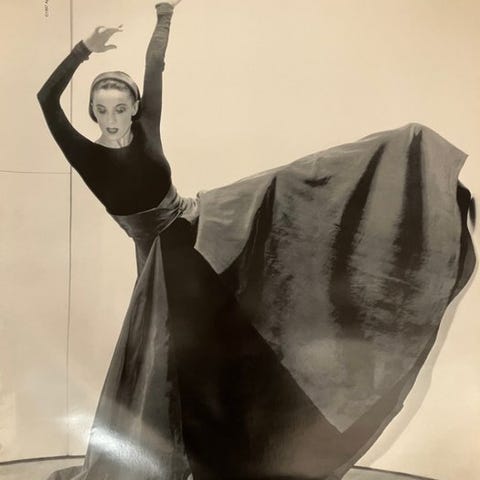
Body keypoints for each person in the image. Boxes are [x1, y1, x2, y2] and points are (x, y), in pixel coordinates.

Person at [37, 2, 475, 480]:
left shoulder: (146, 129)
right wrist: (83, 50)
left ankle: (410, 157)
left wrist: (165, 13)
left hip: (202, 230)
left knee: (299, 192)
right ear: (92, 112)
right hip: (164, 267)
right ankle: (193, 460)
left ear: (135, 108)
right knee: (181, 364)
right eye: (102, 110)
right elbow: (46, 99)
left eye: (121, 108)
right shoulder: (86, 155)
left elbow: (154, 66)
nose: (112, 118)